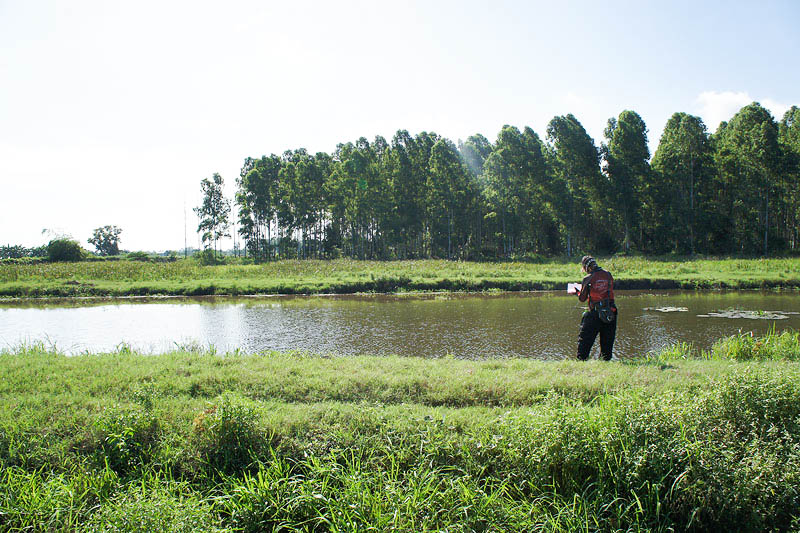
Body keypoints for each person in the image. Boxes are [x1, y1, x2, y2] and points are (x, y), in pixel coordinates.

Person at [574, 255, 617, 361]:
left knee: (584, 342)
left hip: (595, 314)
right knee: (607, 342)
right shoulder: (608, 275)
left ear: (587, 268)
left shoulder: (587, 278)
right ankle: (605, 361)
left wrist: (577, 292)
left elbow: (582, 298)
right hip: (610, 311)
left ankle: (581, 361)